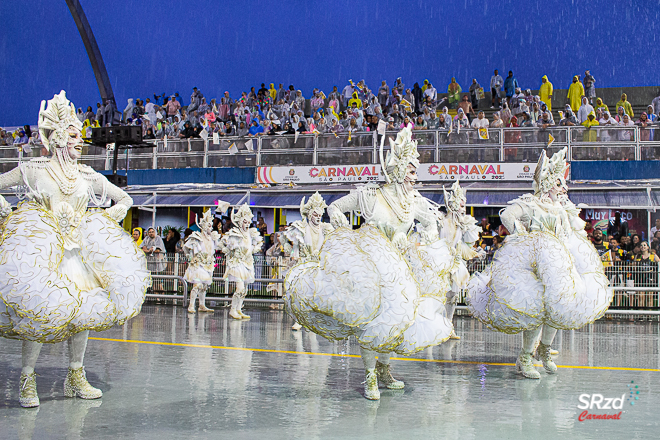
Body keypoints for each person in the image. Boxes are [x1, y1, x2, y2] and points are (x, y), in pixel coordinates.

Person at [0, 91, 149, 407]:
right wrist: (9, 215)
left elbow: (125, 199)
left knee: (82, 315)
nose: (79, 141)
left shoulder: (86, 175)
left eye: (80, 135)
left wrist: (103, 221)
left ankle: (75, 376)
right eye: (72, 135)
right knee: (38, 313)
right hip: (41, 257)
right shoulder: (34, 169)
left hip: (77, 257)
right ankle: (27, 379)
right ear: (56, 139)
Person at [285, 127, 454, 400]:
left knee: (395, 321)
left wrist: (427, 238)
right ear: (397, 170)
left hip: (401, 269)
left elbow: (430, 222)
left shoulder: (414, 201)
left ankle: (385, 370)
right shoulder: (371, 195)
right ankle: (370, 376)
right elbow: (335, 207)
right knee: (370, 322)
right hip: (370, 270)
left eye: (415, 171)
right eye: (411, 171)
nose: (415, 177)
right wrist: (345, 234)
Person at [467, 148, 612, 379]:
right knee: (535, 311)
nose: (562, 187)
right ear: (546, 183)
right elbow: (507, 216)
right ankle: (525, 357)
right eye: (558, 183)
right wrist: (521, 234)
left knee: (557, 309)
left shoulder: (560, 209)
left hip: (558, 267)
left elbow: (566, 233)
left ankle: (544, 351)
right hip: (532, 269)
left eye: (562, 183)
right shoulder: (530, 203)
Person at [435, 181, 483, 338]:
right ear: (453, 205)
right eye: (461, 206)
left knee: (453, 296)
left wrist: (474, 252)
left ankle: (448, 326)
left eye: (464, 206)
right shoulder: (440, 222)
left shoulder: (462, 225)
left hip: (455, 264)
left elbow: (464, 244)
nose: (464, 210)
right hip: (439, 262)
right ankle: (435, 327)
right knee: (438, 296)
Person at [284, 192, 334, 330]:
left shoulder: (325, 229)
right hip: (303, 266)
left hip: (318, 266)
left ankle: (312, 320)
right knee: (301, 295)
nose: (318, 218)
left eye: (319, 215)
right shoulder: (301, 228)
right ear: (309, 214)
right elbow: (294, 247)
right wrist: (294, 255)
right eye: (315, 215)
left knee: (316, 295)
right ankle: (299, 320)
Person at [220, 204, 263, 320]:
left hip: (247, 264)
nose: (247, 224)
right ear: (240, 222)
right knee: (240, 288)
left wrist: (254, 249)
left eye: (248, 222)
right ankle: (232, 309)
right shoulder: (235, 233)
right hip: (237, 264)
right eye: (245, 222)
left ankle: (239, 309)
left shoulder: (250, 233)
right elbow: (226, 245)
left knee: (245, 289)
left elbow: (257, 244)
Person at [184, 206, 226, 313]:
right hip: (198, 264)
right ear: (203, 226)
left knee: (204, 286)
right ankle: (191, 305)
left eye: (211, 226)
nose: (210, 228)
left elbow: (219, 247)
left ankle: (202, 305)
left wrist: (220, 232)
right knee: (197, 285)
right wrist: (191, 257)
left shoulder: (212, 237)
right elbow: (186, 247)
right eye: (208, 225)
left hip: (208, 264)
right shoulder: (197, 236)